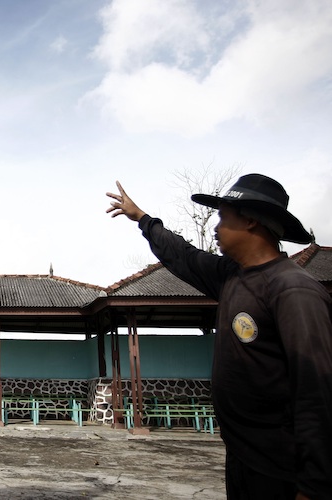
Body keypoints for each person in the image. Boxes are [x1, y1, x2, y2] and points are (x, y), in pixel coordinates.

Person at [106, 174, 332, 500]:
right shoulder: (231, 278)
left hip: (283, 469)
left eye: (224, 217)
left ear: (252, 221)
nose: (215, 227)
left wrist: (314, 486)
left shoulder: (293, 290)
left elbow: (317, 392)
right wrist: (142, 219)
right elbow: (183, 256)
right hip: (242, 457)